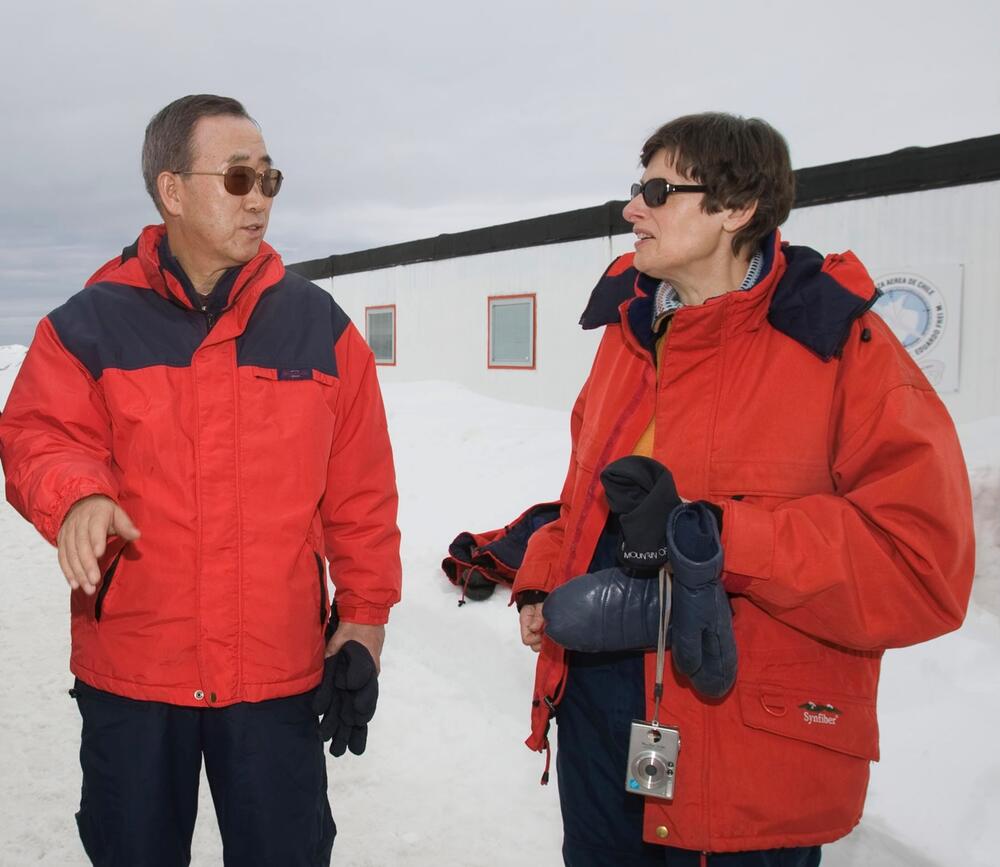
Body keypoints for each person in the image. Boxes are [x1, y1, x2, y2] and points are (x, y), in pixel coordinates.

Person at [513, 112, 975, 866]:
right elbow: (588, 499)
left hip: (745, 745)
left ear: (736, 208)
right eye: (637, 188)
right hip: (602, 719)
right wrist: (543, 578)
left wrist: (721, 542)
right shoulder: (629, 337)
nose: (634, 208)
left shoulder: (841, 347)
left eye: (659, 190)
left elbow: (921, 563)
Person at [0, 94, 401, 866]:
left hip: (276, 676)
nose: (261, 200)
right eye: (240, 178)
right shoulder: (87, 324)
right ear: (172, 190)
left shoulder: (321, 329)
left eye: (270, 180)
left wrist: (364, 621)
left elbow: (361, 496)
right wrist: (78, 493)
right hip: (136, 673)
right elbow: (38, 433)